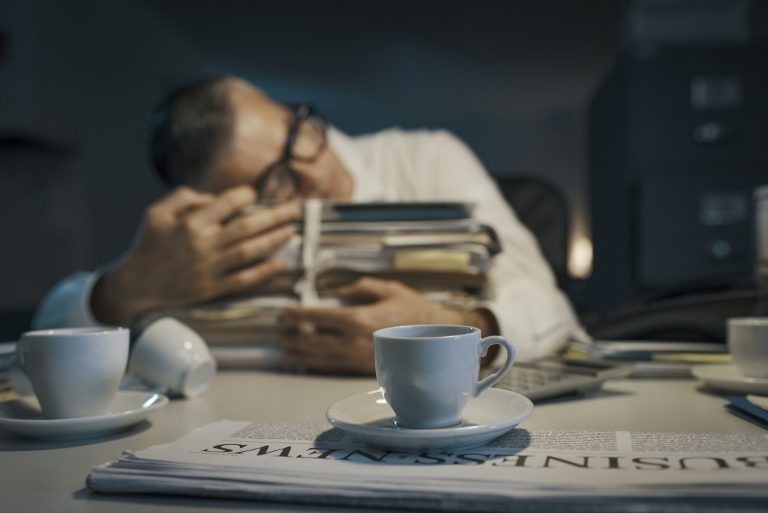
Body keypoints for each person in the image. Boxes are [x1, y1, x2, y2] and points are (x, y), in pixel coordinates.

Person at [33, 75, 587, 374]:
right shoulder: (204, 247)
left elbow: (552, 308)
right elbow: (41, 344)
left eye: (296, 135)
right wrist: (127, 288)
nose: (316, 173)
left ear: (291, 111)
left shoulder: (425, 159)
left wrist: (450, 324)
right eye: (276, 183)